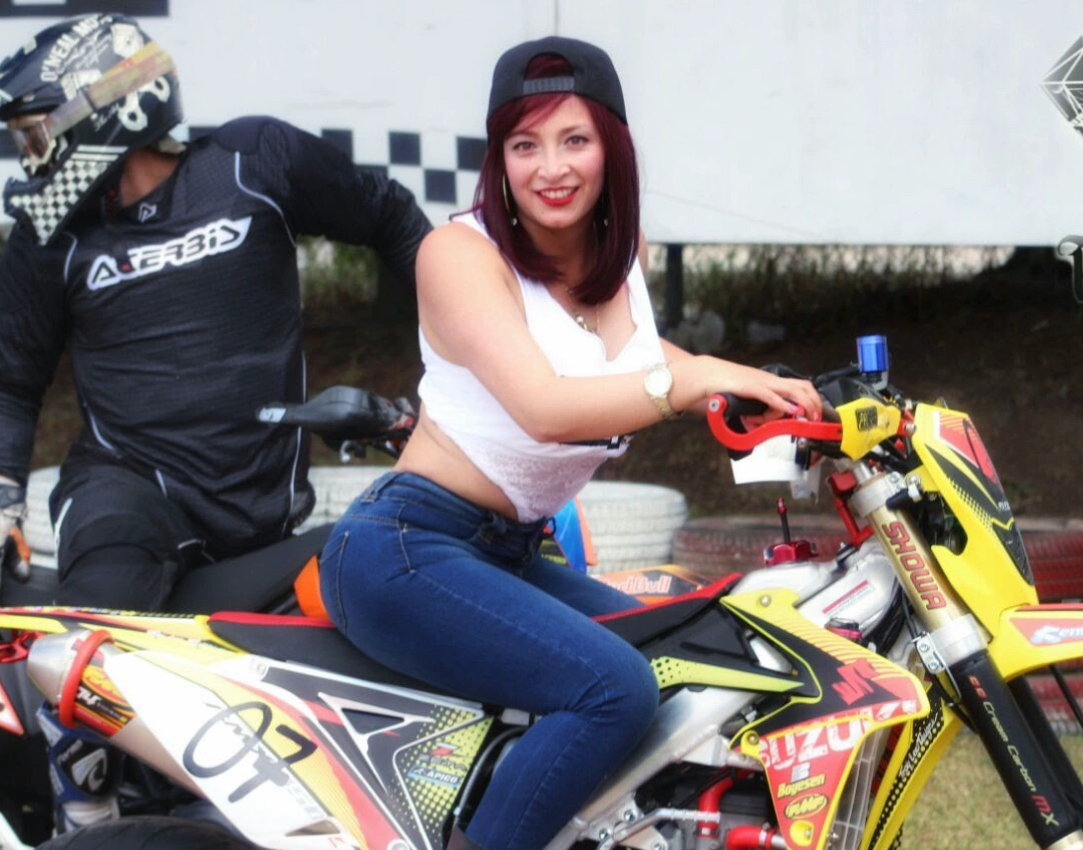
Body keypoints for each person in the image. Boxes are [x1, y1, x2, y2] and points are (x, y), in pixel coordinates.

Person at [319, 36, 824, 850]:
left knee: (685, 656)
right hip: (405, 550)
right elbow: (545, 406)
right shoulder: (458, 255)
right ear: (499, 160)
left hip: (507, 554)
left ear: (612, 148)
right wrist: (691, 382)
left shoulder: (617, 259)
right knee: (615, 688)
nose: (551, 168)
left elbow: (638, 362)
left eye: (574, 140)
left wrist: (771, 395)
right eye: (525, 145)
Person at [0, 12, 430, 833]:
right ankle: (85, 806)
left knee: (399, 568)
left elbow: (394, 220)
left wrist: (458, 370)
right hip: (126, 488)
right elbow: (9, 382)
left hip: (260, 513)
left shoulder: (255, 161)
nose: (29, 160)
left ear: (108, 110)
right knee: (96, 621)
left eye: (36, 137)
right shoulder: (49, 238)